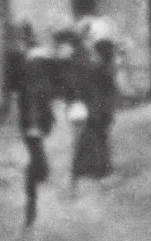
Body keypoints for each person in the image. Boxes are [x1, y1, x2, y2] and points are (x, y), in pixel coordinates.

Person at [59, 27, 118, 197]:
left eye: (62, 46)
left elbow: (81, 87)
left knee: (84, 145)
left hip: (86, 110)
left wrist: (81, 105)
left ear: (69, 44)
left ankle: (76, 185)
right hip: (90, 109)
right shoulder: (79, 58)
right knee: (92, 144)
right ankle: (100, 179)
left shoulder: (79, 59)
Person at [9, 23, 56, 227]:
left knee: (38, 164)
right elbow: (35, 93)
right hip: (35, 120)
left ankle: (31, 206)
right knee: (38, 164)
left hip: (33, 120)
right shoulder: (37, 63)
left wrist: (35, 122)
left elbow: (33, 94)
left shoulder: (31, 64)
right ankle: (30, 207)